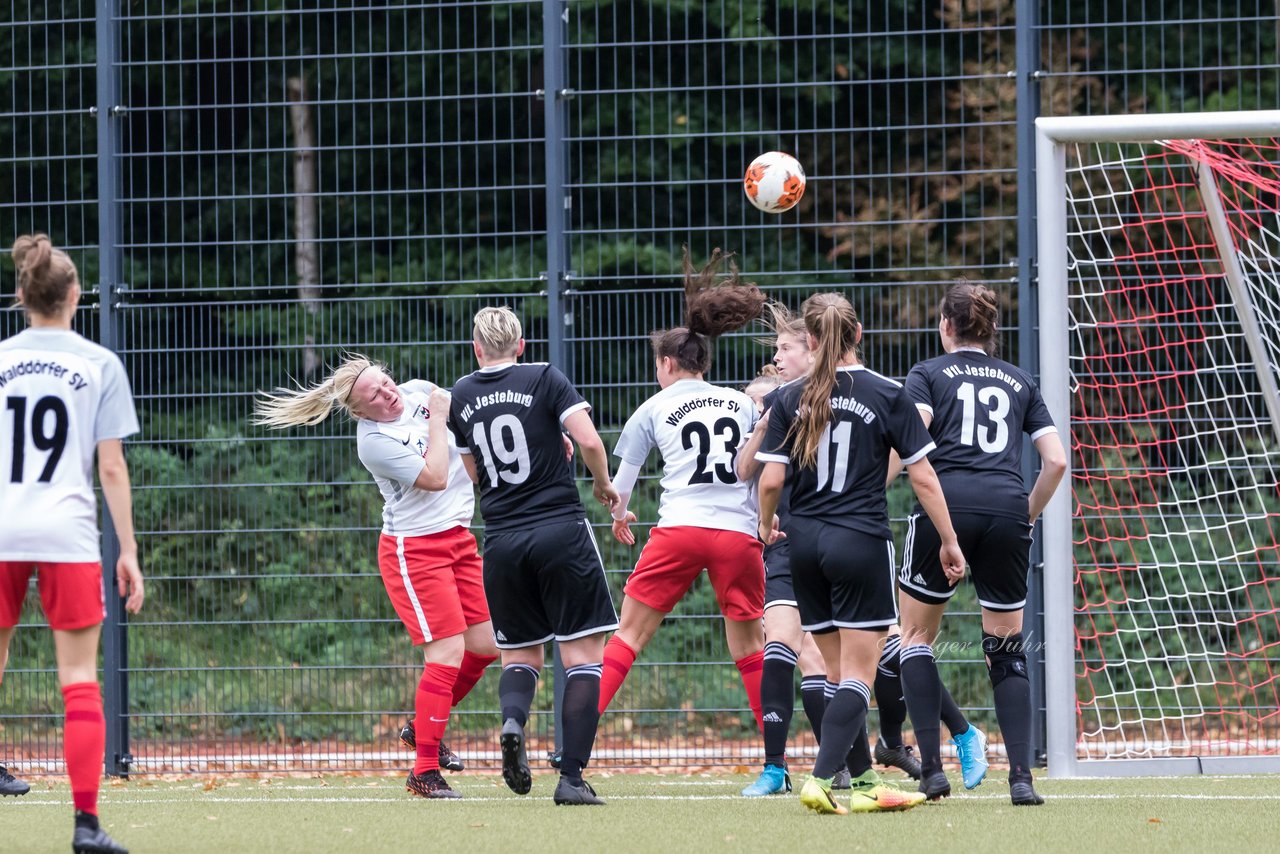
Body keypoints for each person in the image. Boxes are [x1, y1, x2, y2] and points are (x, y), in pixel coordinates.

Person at [738, 305, 974, 797]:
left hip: (804, 546)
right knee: (860, 678)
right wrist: (949, 541)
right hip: (860, 541)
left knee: (834, 672)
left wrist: (765, 526)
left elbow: (772, 479)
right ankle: (821, 780)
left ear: (814, 340)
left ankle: (864, 781)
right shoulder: (887, 392)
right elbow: (924, 478)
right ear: (858, 333)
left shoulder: (788, 397)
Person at [253, 356, 498, 800]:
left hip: (458, 538)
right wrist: (440, 419)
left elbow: (477, 422)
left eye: (385, 382)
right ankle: (424, 771)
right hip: (415, 549)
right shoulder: (374, 442)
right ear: (361, 412)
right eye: (375, 396)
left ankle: (420, 728)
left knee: (484, 648)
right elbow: (438, 477)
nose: (388, 394)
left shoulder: (419, 389)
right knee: (447, 652)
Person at [894, 282, 1066, 805]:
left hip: (944, 504)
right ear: (991, 331)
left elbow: (913, 441)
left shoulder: (926, 373)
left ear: (946, 326)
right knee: (1007, 648)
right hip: (1006, 509)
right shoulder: (1020, 380)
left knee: (916, 638)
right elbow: (1056, 460)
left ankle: (931, 772)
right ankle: (1020, 778)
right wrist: (1026, 515)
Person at [1, 233, 144, 853]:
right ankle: (86, 826)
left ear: (20, 294)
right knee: (79, 678)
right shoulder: (98, 363)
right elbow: (110, 468)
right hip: (67, 532)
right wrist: (129, 551)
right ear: (75, 295)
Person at [446, 306, 619, 806]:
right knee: (584, 657)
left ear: (477, 349)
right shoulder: (544, 376)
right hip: (559, 529)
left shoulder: (461, 393)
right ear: (521, 345)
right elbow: (587, 438)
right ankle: (570, 779)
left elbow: (477, 472)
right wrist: (604, 485)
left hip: (502, 541)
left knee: (520, 654)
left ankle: (514, 721)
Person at [599, 249, 768, 747]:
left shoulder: (654, 406)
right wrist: (763, 516)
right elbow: (755, 466)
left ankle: (574, 739)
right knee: (749, 646)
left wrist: (620, 512)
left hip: (680, 530)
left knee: (629, 635)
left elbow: (621, 478)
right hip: (737, 531)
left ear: (668, 363)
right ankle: (775, 753)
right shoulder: (740, 401)